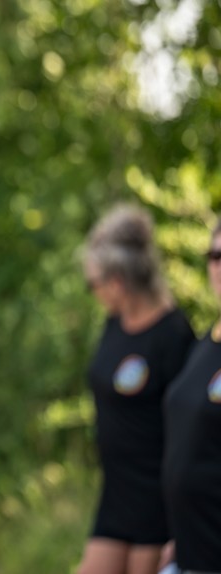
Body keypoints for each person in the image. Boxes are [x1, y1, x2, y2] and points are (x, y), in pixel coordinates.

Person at [77, 204, 196, 574]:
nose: (94, 292)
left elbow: (186, 422)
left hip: (154, 497)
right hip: (116, 493)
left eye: (93, 283)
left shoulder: (172, 335)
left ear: (117, 281)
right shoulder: (113, 325)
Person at [160, 218, 221, 574]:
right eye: (215, 255)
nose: (220, 266)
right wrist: (178, 537)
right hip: (188, 553)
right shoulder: (202, 346)